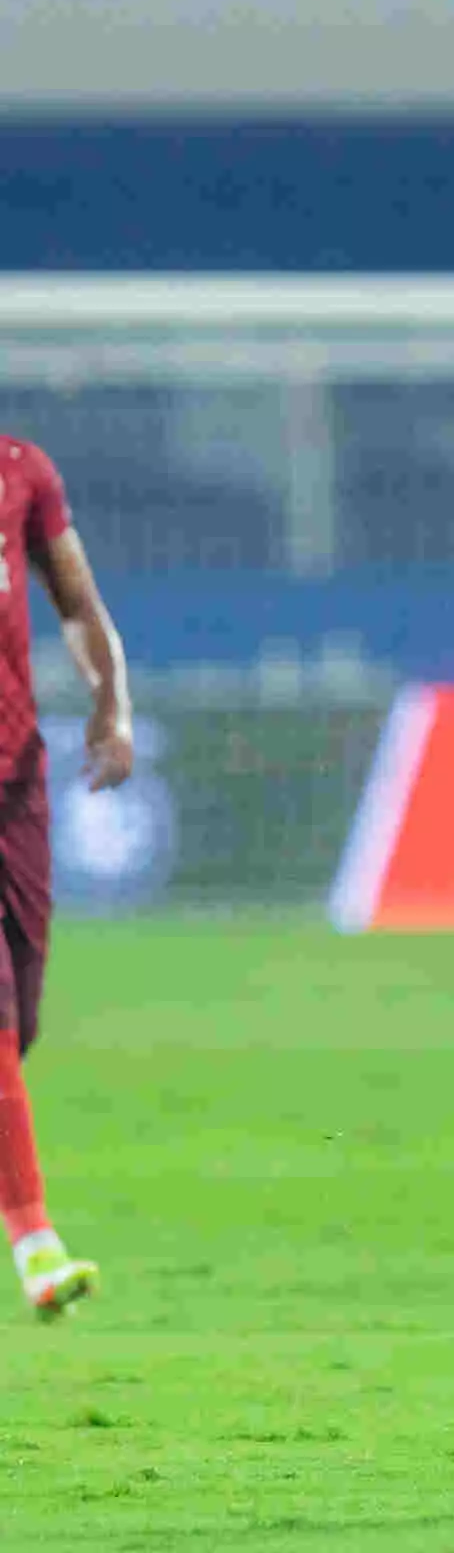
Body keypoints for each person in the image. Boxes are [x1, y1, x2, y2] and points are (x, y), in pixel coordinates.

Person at [0, 436, 132, 1319]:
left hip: (16, 782)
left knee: (22, 1021)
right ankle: (36, 1245)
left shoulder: (23, 470)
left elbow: (78, 606)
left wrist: (111, 701)